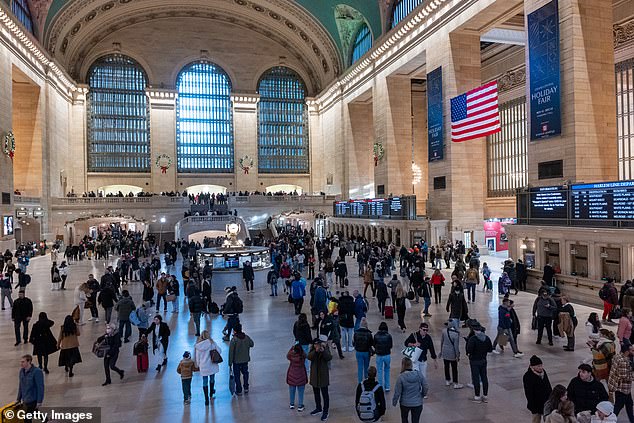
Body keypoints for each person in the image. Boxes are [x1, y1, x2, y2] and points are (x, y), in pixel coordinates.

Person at [392, 357, 428, 423]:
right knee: (416, 420)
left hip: (405, 403)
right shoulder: (418, 374)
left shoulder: (401, 377)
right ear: (411, 364)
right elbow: (425, 386)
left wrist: (394, 401)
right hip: (417, 402)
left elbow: (397, 392)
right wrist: (423, 394)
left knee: (404, 419)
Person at [465, 322, 493, 403]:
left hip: (474, 361)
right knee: (484, 377)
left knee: (476, 378)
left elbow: (469, 350)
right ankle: (485, 395)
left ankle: (477, 396)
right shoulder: (486, 338)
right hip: (483, 360)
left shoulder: (473, 339)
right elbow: (490, 349)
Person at [607, 338, 634, 421]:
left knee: (629, 404)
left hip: (622, 387)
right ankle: (610, 420)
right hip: (622, 388)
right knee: (618, 407)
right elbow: (624, 377)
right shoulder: (623, 361)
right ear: (627, 352)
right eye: (632, 350)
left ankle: (632, 419)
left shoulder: (618, 356)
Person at [193, 330, 222, 405]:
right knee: (212, 379)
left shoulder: (198, 346)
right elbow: (219, 351)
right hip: (212, 365)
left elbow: (197, 358)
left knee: (204, 382)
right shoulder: (212, 343)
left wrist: (199, 365)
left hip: (203, 366)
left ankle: (206, 400)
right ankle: (211, 393)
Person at [308, 338, 332, 422]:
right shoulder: (312, 349)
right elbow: (309, 357)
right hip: (315, 376)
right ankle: (318, 408)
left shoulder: (325, 348)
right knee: (316, 393)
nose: (317, 346)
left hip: (323, 376)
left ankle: (325, 411)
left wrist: (323, 350)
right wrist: (315, 351)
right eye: (316, 344)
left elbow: (329, 357)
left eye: (318, 344)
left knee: (325, 395)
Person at [523, 355, 552, 423]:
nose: (541, 367)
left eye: (541, 365)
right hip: (535, 404)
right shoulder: (528, 376)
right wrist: (532, 406)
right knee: (536, 420)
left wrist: (551, 398)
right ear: (532, 366)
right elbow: (528, 393)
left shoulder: (543, 372)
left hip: (546, 402)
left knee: (548, 420)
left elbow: (548, 385)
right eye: (538, 366)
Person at [16, 354, 44, 423]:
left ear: (29, 362)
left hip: (33, 399)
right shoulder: (21, 371)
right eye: (21, 362)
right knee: (35, 413)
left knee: (27, 419)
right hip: (26, 399)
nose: (21, 364)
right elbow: (21, 385)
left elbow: (40, 387)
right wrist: (18, 398)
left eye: (23, 362)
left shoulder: (37, 372)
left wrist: (39, 401)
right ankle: (46, 420)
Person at [228, 323, 254, 396]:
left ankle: (239, 390)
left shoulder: (234, 340)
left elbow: (231, 353)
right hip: (245, 360)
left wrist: (230, 363)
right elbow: (252, 344)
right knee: (245, 373)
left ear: (234, 331)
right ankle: (246, 387)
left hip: (236, 362)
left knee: (237, 376)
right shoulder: (246, 337)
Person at [440, 319, 463, 389]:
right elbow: (456, 346)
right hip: (452, 353)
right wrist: (457, 355)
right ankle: (455, 383)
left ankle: (447, 380)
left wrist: (441, 351)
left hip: (445, 351)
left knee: (446, 366)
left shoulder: (444, 331)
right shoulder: (456, 334)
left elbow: (442, 341)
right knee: (454, 368)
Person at [287, 343, 308, 412]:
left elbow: (287, 355)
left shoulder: (291, 356)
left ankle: (292, 404)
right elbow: (306, 355)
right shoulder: (302, 356)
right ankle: (300, 405)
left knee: (291, 391)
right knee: (300, 392)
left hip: (292, 375)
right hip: (301, 376)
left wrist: (292, 348)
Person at [353, 318, 374, 383]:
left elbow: (353, 343)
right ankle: (366, 379)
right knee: (366, 367)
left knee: (360, 367)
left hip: (359, 352)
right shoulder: (369, 334)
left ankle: (360, 382)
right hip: (366, 352)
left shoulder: (356, 333)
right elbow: (371, 343)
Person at [374, 322, 393, 392]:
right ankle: (387, 386)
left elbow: (374, 344)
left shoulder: (376, 336)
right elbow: (391, 345)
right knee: (387, 370)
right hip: (387, 355)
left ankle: (380, 386)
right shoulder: (389, 336)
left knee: (379, 371)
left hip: (379, 355)